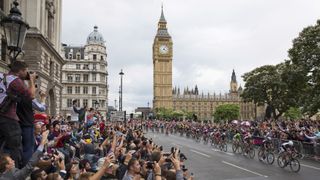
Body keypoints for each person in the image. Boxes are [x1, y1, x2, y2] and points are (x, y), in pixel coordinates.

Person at [0, 61, 35, 167]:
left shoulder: (1, 76)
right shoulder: (15, 81)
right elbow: (31, 95)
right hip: (8, 117)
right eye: (26, 71)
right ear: (21, 71)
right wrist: (32, 81)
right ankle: (15, 172)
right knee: (15, 146)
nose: (27, 74)